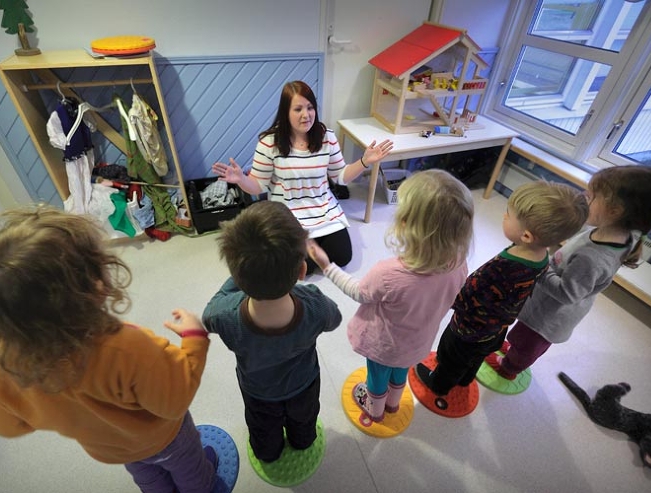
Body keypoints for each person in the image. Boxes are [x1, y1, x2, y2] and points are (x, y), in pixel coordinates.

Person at [0, 206, 227, 493]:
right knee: (190, 470)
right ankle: (203, 484)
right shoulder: (125, 348)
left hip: (112, 449)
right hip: (166, 439)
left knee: (148, 477)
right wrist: (195, 339)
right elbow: (175, 399)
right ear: (95, 286)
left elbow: (5, 426)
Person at [307, 170, 474, 426]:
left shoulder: (389, 273)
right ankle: (393, 403)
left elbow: (358, 292)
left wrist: (327, 266)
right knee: (400, 372)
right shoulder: (460, 264)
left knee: (377, 377)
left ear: (406, 224)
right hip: (417, 343)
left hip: (384, 345)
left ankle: (374, 409)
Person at [486, 166, 651, 380]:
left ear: (615, 211)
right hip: (546, 302)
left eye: (590, 196)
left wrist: (541, 266)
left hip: (549, 315)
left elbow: (566, 294)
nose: (583, 197)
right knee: (522, 335)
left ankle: (509, 368)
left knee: (527, 343)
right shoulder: (613, 233)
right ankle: (514, 350)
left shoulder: (592, 258)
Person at [415, 180, 589, 397]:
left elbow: (469, 295)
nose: (504, 216)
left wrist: (444, 297)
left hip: (468, 329)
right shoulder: (542, 255)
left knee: (452, 359)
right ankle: (466, 379)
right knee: (475, 358)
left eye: (509, 214)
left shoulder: (502, 268)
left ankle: (438, 385)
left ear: (526, 236)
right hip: (497, 328)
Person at [202, 201, 342, 462]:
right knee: (305, 422)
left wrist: (240, 275)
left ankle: (268, 453)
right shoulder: (315, 304)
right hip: (304, 384)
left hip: (258, 393)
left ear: (237, 275)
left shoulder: (224, 315)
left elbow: (207, 316)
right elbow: (335, 319)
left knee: (263, 432)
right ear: (302, 271)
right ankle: (303, 441)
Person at [211, 80, 394, 274]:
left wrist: (364, 161)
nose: (306, 115)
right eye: (298, 109)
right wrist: (241, 179)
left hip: (323, 209)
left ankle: (309, 248)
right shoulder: (269, 142)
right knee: (296, 265)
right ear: (285, 112)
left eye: (310, 107)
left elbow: (340, 176)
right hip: (288, 215)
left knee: (343, 256)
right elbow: (258, 186)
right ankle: (305, 248)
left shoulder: (327, 137)